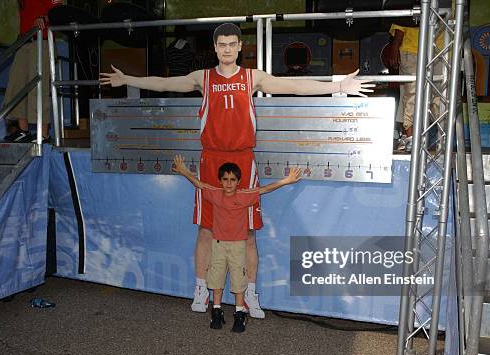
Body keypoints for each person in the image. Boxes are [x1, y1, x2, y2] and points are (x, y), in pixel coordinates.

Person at [100, 23, 374, 319]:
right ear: (215, 48)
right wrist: (128, 78)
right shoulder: (202, 78)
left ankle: (251, 294)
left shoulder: (252, 78)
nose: (228, 49)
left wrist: (339, 87)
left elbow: (295, 86)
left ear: (240, 47)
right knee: (206, 230)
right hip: (211, 162)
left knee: (247, 234)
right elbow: (165, 84)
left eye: (233, 44)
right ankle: (202, 288)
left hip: (243, 162)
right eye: (222, 45)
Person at [172, 155, 302, 332]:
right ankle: (216, 311)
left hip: (238, 247)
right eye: (225, 179)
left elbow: (264, 189)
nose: (228, 183)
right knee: (216, 278)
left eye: (232, 179)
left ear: (238, 181)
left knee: (238, 280)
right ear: (220, 181)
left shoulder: (244, 196)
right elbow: (199, 184)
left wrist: (286, 180)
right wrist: (184, 171)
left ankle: (239, 313)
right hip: (217, 245)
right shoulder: (215, 194)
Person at [4, 0, 61, 143]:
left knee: (39, 87)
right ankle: (23, 131)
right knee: (17, 85)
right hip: (25, 41)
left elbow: (59, 11)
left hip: (43, 40)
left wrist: (44, 18)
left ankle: (44, 134)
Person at [384, 23, 443, 152]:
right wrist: (394, 46)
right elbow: (401, 19)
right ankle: (410, 137)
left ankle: (442, 137)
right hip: (412, 48)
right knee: (412, 94)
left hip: (440, 48)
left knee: (439, 95)